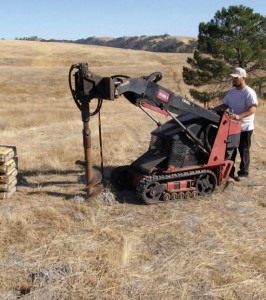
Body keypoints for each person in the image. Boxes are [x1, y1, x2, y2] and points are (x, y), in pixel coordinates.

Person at [223, 67, 258, 180]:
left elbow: (252, 109)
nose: (233, 79)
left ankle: (243, 173)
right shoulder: (231, 92)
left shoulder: (249, 92)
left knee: (244, 150)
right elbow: (225, 105)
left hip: (245, 127)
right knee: (230, 150)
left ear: (243, 78)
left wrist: (239, 116)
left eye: (235, 78)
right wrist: (214, 108)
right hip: (232, 126)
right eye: (232, 77)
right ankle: (230, 172)